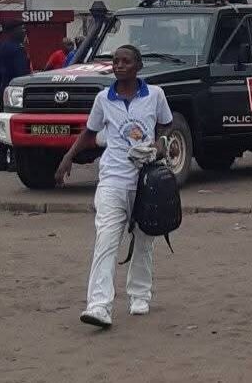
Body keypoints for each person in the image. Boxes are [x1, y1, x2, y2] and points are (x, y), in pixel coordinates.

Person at [54, 45, 173, 329]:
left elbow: (167, 126)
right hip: (112, 179)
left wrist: (158, 146)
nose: (119, 66)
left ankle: (140, 294)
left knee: (145, 238)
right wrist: (68, 158)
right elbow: (89, 133)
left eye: (126, 61)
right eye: (116, 61)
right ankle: (99, 306)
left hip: (146, 181)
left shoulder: (155, 95)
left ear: (138, 66)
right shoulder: (103, 99)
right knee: (106, 241)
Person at [0, 22, 32, 171]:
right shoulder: (17, 49)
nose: (24, 33)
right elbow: (21, 73)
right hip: (16, 93)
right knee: (15, 125)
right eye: (21, 30)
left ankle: (1, 160)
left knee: (3, 125)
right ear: (13, 31)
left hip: (4, 89)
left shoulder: (2, 47)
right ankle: (15, 161)